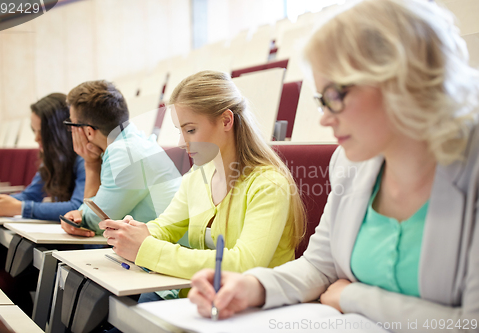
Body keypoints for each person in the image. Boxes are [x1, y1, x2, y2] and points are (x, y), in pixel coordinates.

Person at [188, 0, 479, 330]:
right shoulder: (350, 163)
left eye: (336, 95)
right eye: (321, 100)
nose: (325, 118)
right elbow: (318, 266)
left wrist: (354, 297)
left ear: (400, 80)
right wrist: (253, 287)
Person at [98, 70, 307, 300]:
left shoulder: (269, 184)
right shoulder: (198, 176)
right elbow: (167, 226)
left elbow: (244, 265)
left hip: (254, 308)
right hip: (206, 298)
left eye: (190, 130)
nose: (181, 142)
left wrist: (146, 249)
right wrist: (135, 233)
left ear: (226, 120)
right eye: (180, 131)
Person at [61, 80, 181, 237]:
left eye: (72, 125)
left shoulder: (124, 153)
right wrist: (81, 213)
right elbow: (95, 210)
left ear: (88, 132)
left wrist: (91, 165)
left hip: (166, 250)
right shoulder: (129, 141)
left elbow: (93, 224)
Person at [0, 93, 85, 220]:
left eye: (42, 132)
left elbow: (78, 207)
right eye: (34, 130)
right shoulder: (52, 157)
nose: (36, 138)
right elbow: (31, 195)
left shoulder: (84, 159)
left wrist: (21, 208)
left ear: (60, 132)